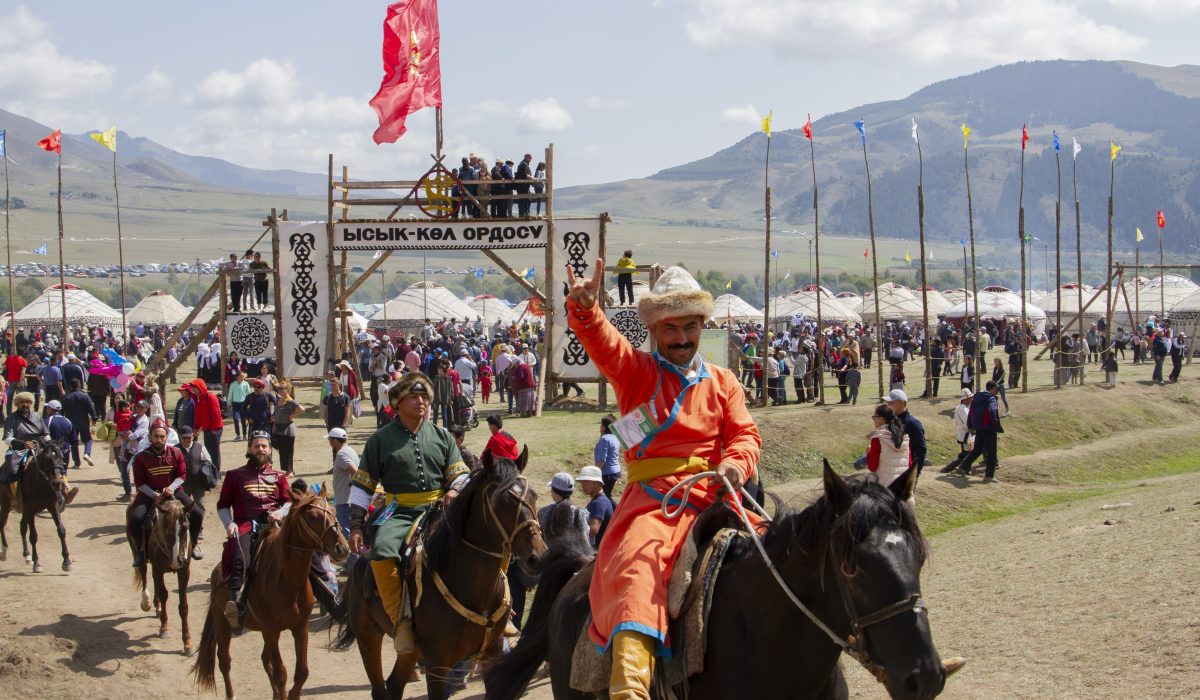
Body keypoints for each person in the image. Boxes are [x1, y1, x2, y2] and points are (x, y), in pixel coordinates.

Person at [564, 261, 760, 697]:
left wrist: (735, 464)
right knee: (636, 573)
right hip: (653, 503)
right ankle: (629, 689)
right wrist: (586, 308)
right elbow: (603, 343)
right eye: (670, 329)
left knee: (785, 553)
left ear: (702, 326)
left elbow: (745, 434)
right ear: (654, 330)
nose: (682, 338)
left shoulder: (725, 382)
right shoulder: (637, 372)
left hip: (718, 497)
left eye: (690, 327)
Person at [346, 373, 469, 654]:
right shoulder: (379, 440)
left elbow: (461, 475)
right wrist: (355, 526)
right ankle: (401, 622)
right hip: (398, 511)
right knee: (381, 550)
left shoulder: (442, 436)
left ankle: (497, 612)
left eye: (424, 397)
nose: (421, 402)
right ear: (397, 404)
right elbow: (363, 487)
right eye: (413, 397)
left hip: (441, 508)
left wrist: (454, 490)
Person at [215, 431, 291, 627]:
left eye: (264, 446)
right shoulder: (234, 475)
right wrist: (229, 523)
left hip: (274, 525)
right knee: (241, 557)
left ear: (270, 450)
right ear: (249, 448)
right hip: (245, 524)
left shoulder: (279, 477)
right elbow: (223, 505)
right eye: (256, 445)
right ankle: (236, 604)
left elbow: (288, 502)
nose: (261, 449)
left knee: (306, 552)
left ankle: (328, 592)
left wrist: (281, 513)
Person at [126, 419, 204, 567]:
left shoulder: (175, 452)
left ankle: (192, 546)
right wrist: (153, 495)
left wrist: (171, 487)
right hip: (149, 494)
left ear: (166, 437)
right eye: (156, 436)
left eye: (162, 436)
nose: (159, 439)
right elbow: (139, 483)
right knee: (135, 519)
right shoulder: (141, 457)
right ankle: (141, 552)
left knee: (198, 514)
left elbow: (182, 475)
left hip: (173, 491)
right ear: (150, 437)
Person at [954, 381, 1004, 482]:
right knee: (992, 452)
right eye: (996, 390)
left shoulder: (977, 396)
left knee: (978, 449)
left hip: (978, 427)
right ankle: (989, 476)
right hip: (989, 428)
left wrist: (970, 425)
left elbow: (971, 410)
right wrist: (995, 424)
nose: (997, 392)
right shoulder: (991, 398)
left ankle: (962, 467)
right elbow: (992, 411)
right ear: (992, 388)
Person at [326, 427, 359, 569]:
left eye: (329, 439)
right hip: (350, 498)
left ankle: (354, 562)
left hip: (345, 499)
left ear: (334, 440)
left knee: (346, 531)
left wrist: (353, 484)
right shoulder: (351, 450)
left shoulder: (341, 454)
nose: (329, 442)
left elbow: (354, 471)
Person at [179, 426, 214, 560]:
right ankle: (186, 527)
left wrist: (204, 470)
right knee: (185, 508)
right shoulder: (176, 449)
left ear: (193, 437)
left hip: (198, 483)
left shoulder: (200, 447)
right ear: (181, 437)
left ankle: (198, 529)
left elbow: (208, 460)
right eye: (184, 438)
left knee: (199, 506)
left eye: (189, 437)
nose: (187, 440)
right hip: (183, 484)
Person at [538, 472, 590, 547]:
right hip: (573, 557)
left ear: (553, 491)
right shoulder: (578, 513)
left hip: (550, 557)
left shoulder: (542, 512)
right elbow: (585, 542)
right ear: (571, 492)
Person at [865, 404, 911, 487]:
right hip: (903, 485)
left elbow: (872, 466)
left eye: (874, 416)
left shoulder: (878, 438)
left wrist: (869, 453)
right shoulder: (903, 436)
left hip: (885, 487)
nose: (873, 419)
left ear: (881, 418)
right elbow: (909, 462)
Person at [886, 389, 927, 475]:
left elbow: (921, 449)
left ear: (902, 403)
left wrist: (915, 472)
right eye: (888, 403)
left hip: (906, 471)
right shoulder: (890, 421)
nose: (888, 405)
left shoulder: (913, 423)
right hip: (891, 471)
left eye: (891, 403)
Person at [61, 378, 97, 468]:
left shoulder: (67, 398)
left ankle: (77, 462)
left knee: (73, 442)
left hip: (71, 423)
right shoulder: (85, 396)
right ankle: (87, 453)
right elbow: (91, 408)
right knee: (88, 439)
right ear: (79, 385)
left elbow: (62, 411)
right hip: (84, 422)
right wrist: (94, 418)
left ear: (70, 387)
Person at [577, 465, 613, 549]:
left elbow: (592, 530)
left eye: (586, 481)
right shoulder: (598, 501)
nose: (582, 485)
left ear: (597, 483)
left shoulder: (599, 503)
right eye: (582, 482)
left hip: (597, 553)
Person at [940, 389, 975, 474]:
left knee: (967, 453)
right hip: (966, 435)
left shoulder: (963, 408)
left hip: (965, 434)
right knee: (966, 454)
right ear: (966, 398)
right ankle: (951, 468)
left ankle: (964, 469)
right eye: (970, 397)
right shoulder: (963, 409)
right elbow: (968, 423)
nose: (972, 399)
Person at [272, 383, 303, 475]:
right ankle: (287, 470)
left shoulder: (291, 401)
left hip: (287, 429)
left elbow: (301, 409)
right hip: (278, 428)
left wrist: (292, 416)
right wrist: (274, 424)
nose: (280, 390)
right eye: (279, 388)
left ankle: (290, 471)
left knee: (288, 451)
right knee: (282, 450)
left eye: (282, 388)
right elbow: (276, 414)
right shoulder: (279, 400)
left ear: (288, 389)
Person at [594, 414, 622, 500]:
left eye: (601, 424)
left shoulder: (605, 439)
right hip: (615, 471)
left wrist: (594, 473)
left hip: (607, 473)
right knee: (606, 496)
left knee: (603, 497)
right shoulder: (615, 438)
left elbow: (602, 460)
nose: (600, 426)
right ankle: (615, 512)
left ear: (604, 427)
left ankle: (616, 512)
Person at [226, 370, 251, 440]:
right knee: (236, 419)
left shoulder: (246, 384)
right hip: (235, 404)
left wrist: (249, 403)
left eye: (243, 376)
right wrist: (229, 402)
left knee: (243, 420)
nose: (243, 377)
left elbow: (248, 394)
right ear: (237, 377)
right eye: (241, 376)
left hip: (243, 404)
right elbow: (230, 394)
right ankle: (238, 435)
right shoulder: (233, 384)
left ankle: (244, 435)